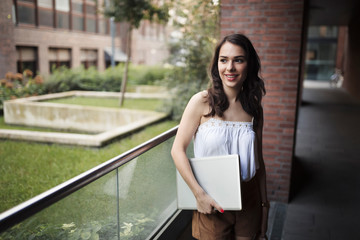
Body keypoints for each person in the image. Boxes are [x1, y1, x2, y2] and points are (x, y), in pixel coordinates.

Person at [171, 33, 269, 240]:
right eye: (224, 60)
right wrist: (199, 195)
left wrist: (265, 208)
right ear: (217, 65)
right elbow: (177, 150)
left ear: (249, 64)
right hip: (211, 201)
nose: (230, 68)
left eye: (238, 60)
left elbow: (259, 163)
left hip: (249, 201)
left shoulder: (254, 108)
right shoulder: (201, 102)